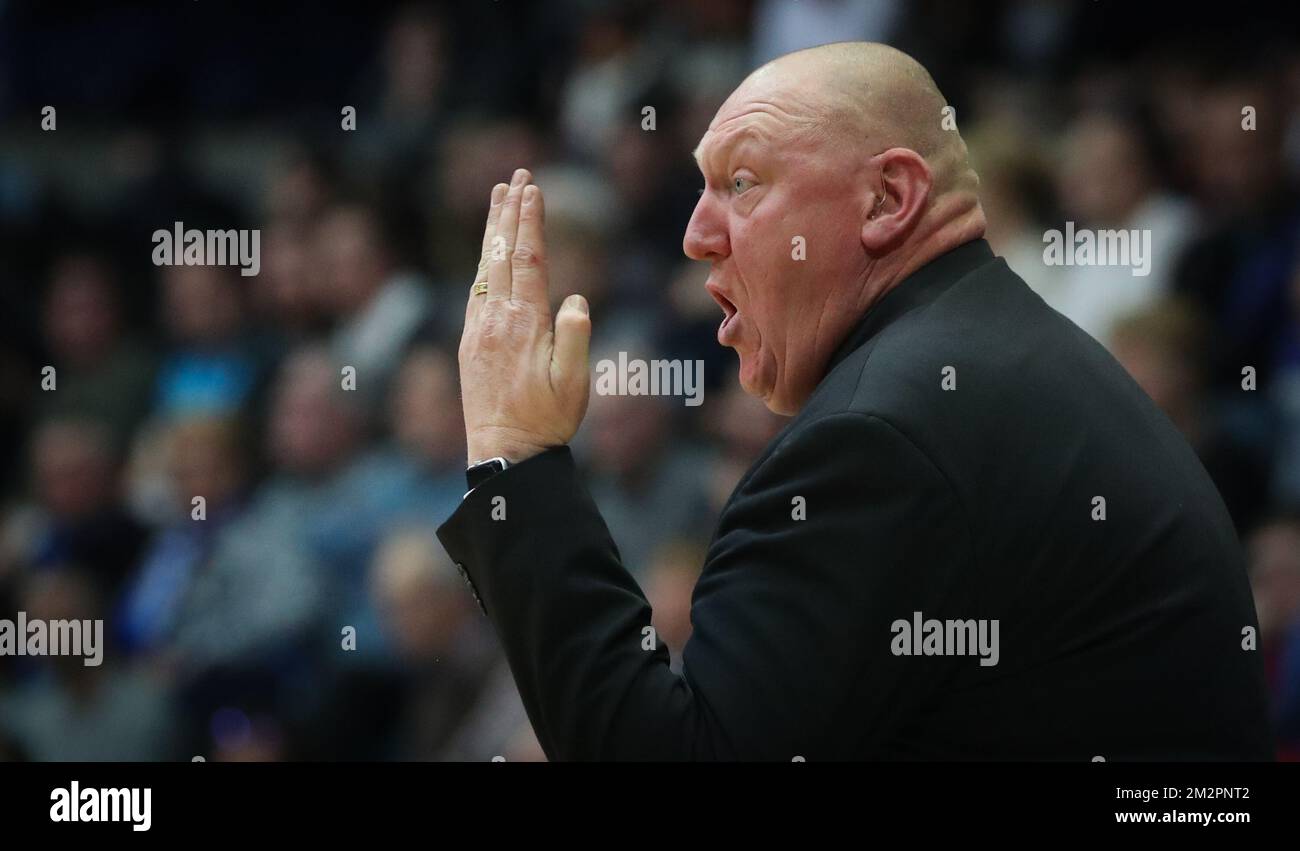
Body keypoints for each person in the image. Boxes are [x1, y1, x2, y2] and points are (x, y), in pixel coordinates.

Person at [437, 42, 1272, 760]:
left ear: (888, 200)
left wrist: (518, 457)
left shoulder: (886, 433)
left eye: (742, 181)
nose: (695, 234)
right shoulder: (987, 359)